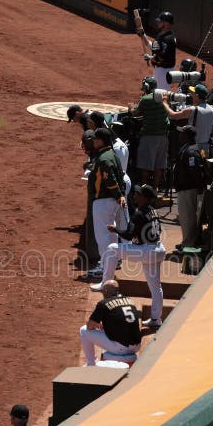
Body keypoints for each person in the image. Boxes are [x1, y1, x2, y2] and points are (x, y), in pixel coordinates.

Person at [92, 185, 166, 328]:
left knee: (112, 249)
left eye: (137, 193)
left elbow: (128, 235)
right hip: (157, 249)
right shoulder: (153, 211)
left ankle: (105, 283)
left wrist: (115, 229)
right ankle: (156, 319)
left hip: (147, 251)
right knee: (156, 287)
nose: (134, 195)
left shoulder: (139, 214)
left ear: (144, 197)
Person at [86, 127, 127, 279]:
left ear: (101, 140)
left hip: (103, 201)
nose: (93, 142)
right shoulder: (112, 155)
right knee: (111, 235)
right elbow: (120, 177)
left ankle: (104, 266)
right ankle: (112, 262)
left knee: (102, 236)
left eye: (95, 139)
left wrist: (117, 194)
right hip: (111, 202)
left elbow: (110, 180)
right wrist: (120, 195)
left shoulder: (104, 158)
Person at [80, 280, 142, 366]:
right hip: (137, 346)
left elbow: (90, 326)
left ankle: (91, 363)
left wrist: (98, 325)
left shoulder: (103, 304)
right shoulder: (129, 301)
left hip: (121, 348)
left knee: (83, 330)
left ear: (105, 291)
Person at [129, 77, 169, 189]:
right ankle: (155, 189)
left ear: (146, 87)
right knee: (158, 165)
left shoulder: (145, 99)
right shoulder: (164, 97)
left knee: (146, 165)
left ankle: (144, 189)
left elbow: (135, 113)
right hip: (162, 137)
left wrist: (130, 108)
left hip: (148, 136)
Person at [173, 125, 207, 249]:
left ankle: (188, 244)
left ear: (187, 136)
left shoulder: (191, 151)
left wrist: (198, 187)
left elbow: (195, 171)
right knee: (187, 217)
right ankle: (188, 241)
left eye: (182, 133)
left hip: (188, 189)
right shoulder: (192, 148)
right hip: (187, 188)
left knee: (188, 217)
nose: (179, 135)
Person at [161, 84, 213, 153]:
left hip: (193, 148)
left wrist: (164, 103)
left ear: (197, 96)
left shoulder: (193, 110)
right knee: (203, 163)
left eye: (193, 93)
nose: (190, 95)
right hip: (205, 147)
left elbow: (173, 116)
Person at [136, 11, 176, 90]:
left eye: (160, 21)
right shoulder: (162, 34)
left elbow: (163, 57)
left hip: (164, 71)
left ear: (166, 23)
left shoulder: (169, 39)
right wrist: (143, 35)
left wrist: (150, 58)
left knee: (162, 94)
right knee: (156, 92)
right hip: (160, 70)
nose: (158, 23)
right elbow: (154, 47)